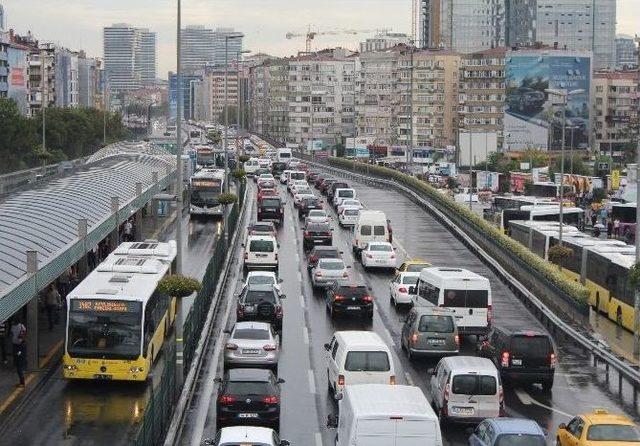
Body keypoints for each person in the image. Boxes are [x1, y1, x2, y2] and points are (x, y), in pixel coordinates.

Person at [10, 319, 26, 387]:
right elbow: (12, 333)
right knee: (17, 362)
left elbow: (23, 336)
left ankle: (22, 382)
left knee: (19, 364)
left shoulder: (21, 327)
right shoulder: (13, 326)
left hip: (20, 347)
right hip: (15, 345)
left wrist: (18, 353)